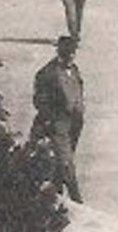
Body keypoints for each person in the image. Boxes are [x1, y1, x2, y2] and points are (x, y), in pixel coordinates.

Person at [30, 36, 85, 203]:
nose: (71, 56)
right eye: (68, 53)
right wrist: (52, 121)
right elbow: (39, 101)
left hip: (73, 124)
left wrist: (80, 111)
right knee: (66, 162)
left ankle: (55, 197)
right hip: (57, 124)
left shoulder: (74, 69)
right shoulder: (47, 73)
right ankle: (77, 200)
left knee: (63, 163)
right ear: (60, 52)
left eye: (73, 53)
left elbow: (78, 90)